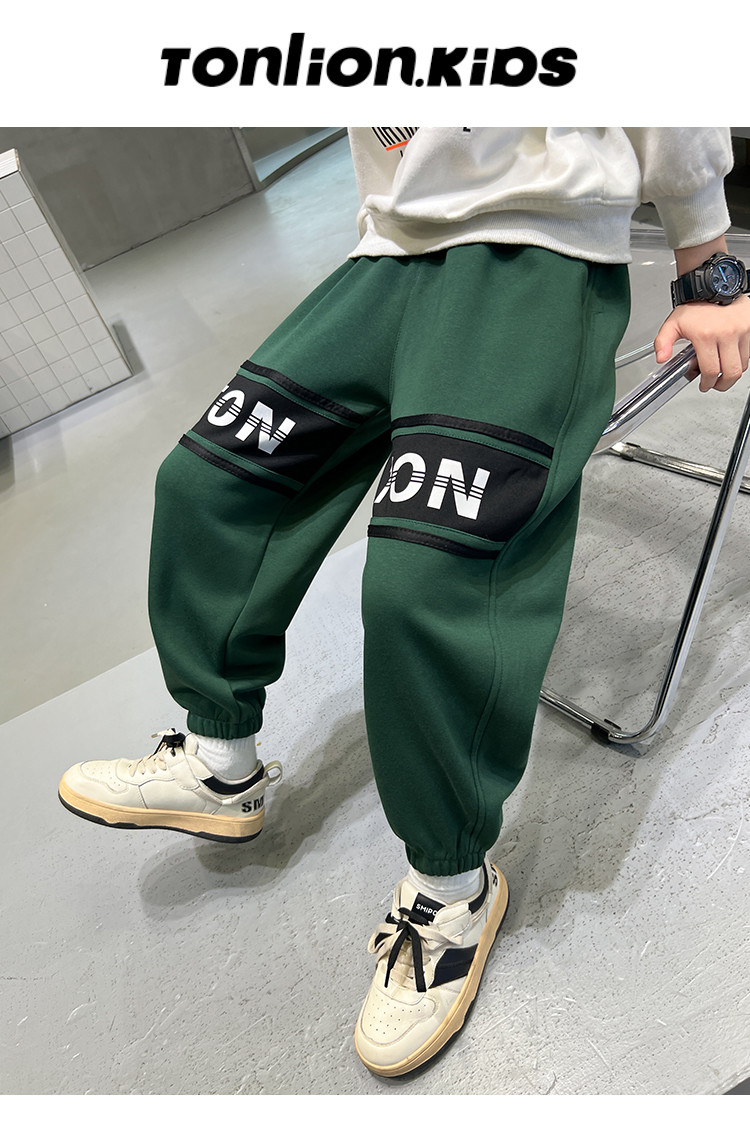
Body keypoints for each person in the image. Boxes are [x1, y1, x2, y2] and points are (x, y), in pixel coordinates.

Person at [58, 128, 750, 1077]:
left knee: (425, 575)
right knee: (210, 482)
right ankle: (221, 762)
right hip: (392, 251)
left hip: (538, 250)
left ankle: (453, 887)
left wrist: (707, 261)